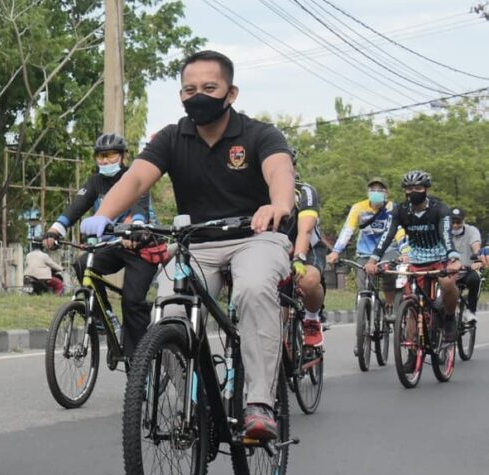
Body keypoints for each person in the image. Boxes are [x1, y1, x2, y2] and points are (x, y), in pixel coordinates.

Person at [81, 50, 295, 440]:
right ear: (181, 95)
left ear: (231, 93)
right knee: (170, 316)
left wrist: (277, 204)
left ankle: (259, 403)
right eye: (190, 89)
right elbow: (136, 180)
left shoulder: (259, 134)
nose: (199, 95)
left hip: (256, 236)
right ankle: (194, 404)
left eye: (209, 88)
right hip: (196, 245)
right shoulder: (171, 137)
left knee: (253, 289)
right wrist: (104, 215)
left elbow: (279, 170)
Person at [43, 133, 158, 362]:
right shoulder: (96, 182)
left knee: (132, 301)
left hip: (141, 246)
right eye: (100, 156)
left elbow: (139, 209)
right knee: (82, 264)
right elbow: (77, 207)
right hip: (113, 245)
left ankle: (138, 365)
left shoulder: (134, 177)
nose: (105, 161)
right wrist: (56, 229)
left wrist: (135, 225)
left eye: (110, 155)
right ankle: (103, 316)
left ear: (123, 156)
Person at [364, 170, 461, 341]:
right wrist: (373, 260)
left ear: (426, 190)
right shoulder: (400, 210)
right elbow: (387, 236)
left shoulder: (440, 208)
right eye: (409, 189)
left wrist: (453, 258)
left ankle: (449, 318)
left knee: (448, 284)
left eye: (417, 188)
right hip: (416, 261)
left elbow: (446, 235)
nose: (413, 192)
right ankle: (411, 349)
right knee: (412, 302)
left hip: (440, 259)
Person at [326, 177, 407, 321]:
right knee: (363, 285)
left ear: (387, 193)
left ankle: (389, 305)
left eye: (380, 190)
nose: (376, 193)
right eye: (372, 190)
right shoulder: (359, 208)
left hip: (388, 251)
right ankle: (364, 312)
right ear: (367, 192)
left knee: (388, 275)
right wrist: (335, 251)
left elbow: (400, 231)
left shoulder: (393, 209)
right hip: (364, 252)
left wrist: (405, 252)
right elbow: (347, 230)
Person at [286, 148, 328, 347]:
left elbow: (306, 230)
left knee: (308, 280)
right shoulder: (256, 191)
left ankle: (312, 318)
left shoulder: (305, 191)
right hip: (276, 251)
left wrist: (299, 258)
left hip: (308, 249)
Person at [450, 207, 482, 323]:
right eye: (452, 222)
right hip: (448, 271)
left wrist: (477, 257)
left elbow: (476, 244)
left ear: (464, 221)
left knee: (475, 279)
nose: (455, 225)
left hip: (466, 270)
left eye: (458, 222)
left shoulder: (472, 230)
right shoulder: (443, 232)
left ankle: (470, 311)